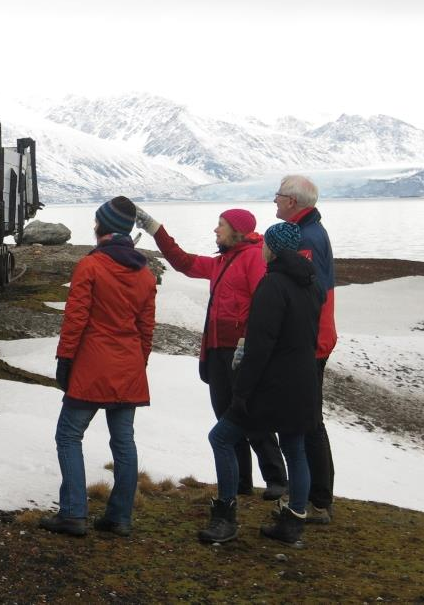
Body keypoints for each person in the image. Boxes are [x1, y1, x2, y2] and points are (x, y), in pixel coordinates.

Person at [133, 205, 288, 501]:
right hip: (218, 352)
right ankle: (240, 481)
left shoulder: (254, 257)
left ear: (237, 230)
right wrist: (155, 229)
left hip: (240, 352)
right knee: (226, 417)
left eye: (221, 225)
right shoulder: (223, 261)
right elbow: (183, 262)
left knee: (250, 415)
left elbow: (263, 304)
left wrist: (249, 343)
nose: (216, 230)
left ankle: (277, 479)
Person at [198, 222, 323, 546]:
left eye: (265, 244)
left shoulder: (272, 285)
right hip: (304, 383)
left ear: (272, 248)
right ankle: (293, 520)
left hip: (271, 386)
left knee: (221, 438)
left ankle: (225, 517)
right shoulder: (311, 284)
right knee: (294, 448)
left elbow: (259, 346)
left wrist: (241, 392)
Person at [39, 196, 157, 538]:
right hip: (128, 364)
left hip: (92, 364)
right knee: (124, 442)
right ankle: (120, 517)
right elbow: (146, 328)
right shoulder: (145, 273)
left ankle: (74, 513)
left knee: (69, 435)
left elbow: (75, 320)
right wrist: (139, 362)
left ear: (103, 227)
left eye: (96, 222)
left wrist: (65, 360)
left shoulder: (90, 266)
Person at [274, 174, 336, 525]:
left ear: (293, 202)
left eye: (279, 196)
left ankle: (318, 500)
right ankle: (312, 494)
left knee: (309, 420)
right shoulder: (309, 232)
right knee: (306, 418)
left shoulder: (306, 238)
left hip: (311, 341)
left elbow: (307, 294)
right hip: (312, 338)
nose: (275, 202)